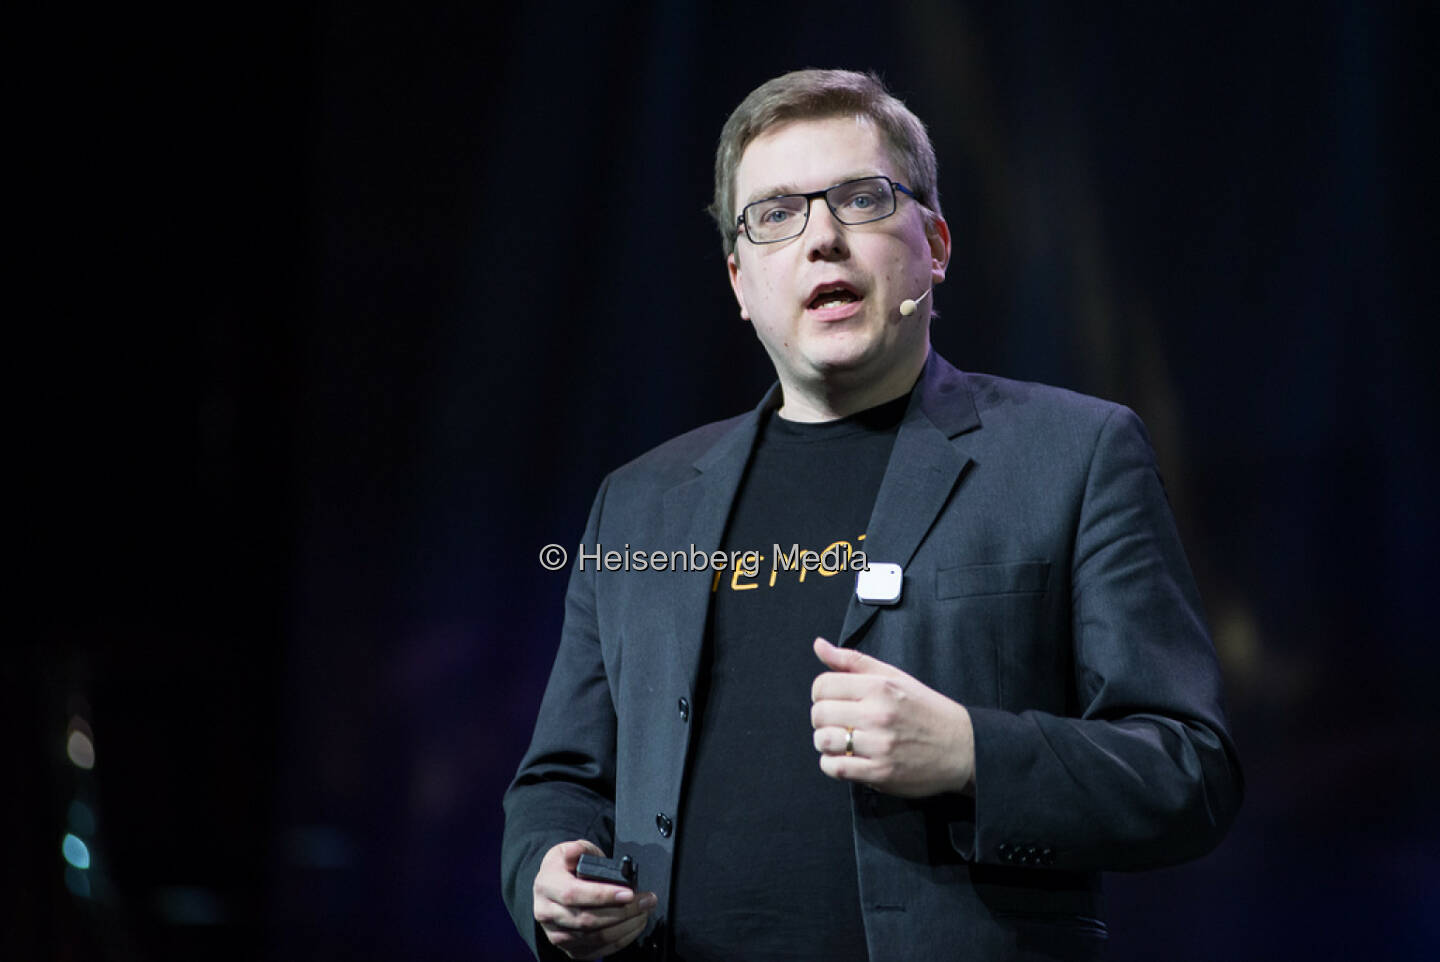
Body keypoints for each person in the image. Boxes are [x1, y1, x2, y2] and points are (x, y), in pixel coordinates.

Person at [501, 69, 1242, 962]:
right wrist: (548, 872)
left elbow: (1186, 771)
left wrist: (973, 751)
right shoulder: (642, 503)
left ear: (934, 242)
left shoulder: (1073, 456)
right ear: (738, 281)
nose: (822, 240)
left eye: (860, 199)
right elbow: (561, 778)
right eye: (776, 214)